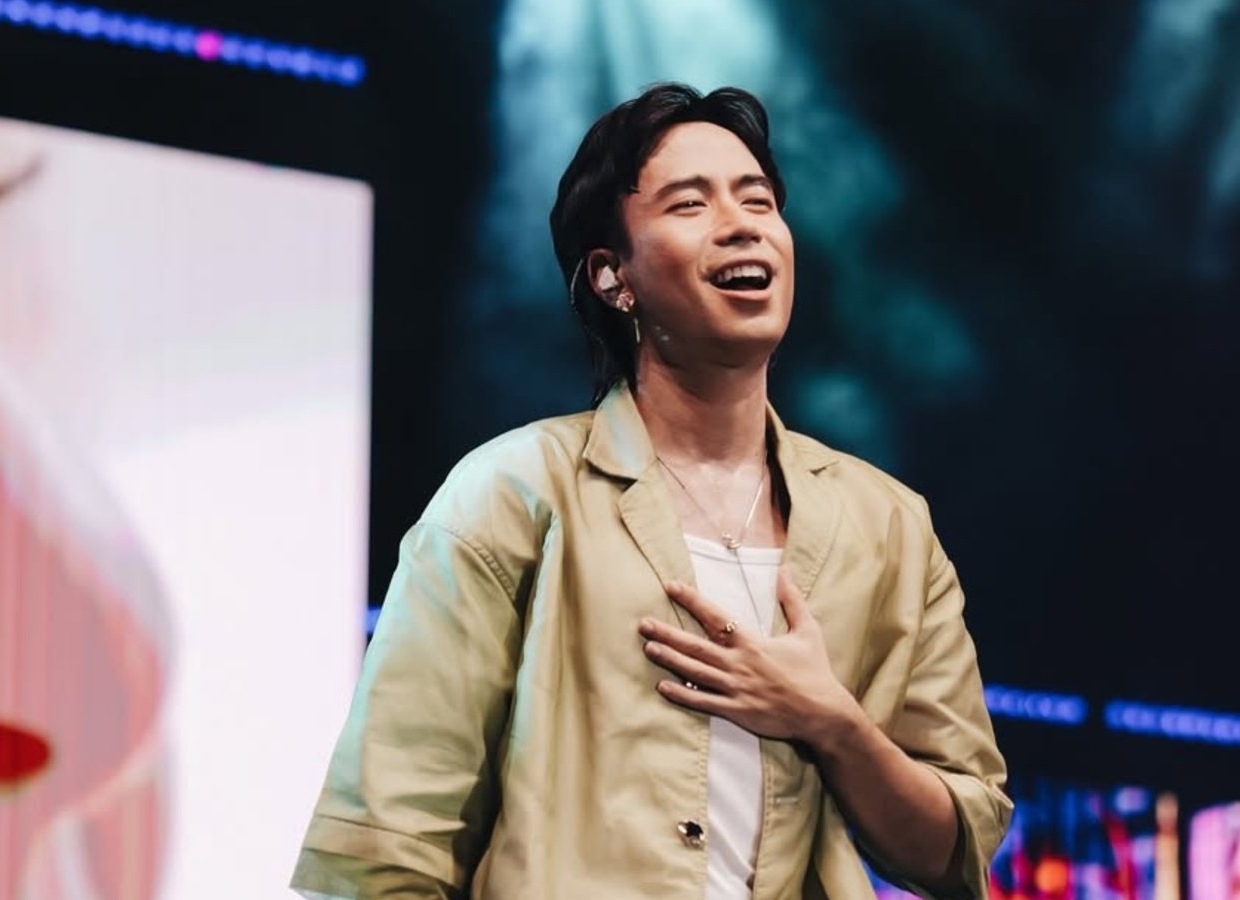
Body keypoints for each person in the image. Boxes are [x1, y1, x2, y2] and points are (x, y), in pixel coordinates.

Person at [291, 83, 1011, 900]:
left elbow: (960, 846)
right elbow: (385, 849)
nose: (742, 224)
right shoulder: (513, 494)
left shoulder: (891, 527)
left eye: (758, 201)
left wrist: (832, 722)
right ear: (612, 277)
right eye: (690, 204)